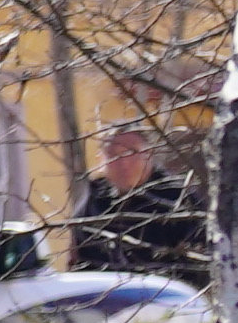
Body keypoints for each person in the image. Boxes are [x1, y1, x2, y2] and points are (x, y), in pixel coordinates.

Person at [70, 119, 207, 280]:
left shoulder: (178, 197)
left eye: (132, 152)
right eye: (113, 155)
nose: (124, 163)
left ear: (149, 154)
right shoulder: (93, 200)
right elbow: (79, 266)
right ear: (101, 160)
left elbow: (201, 262)